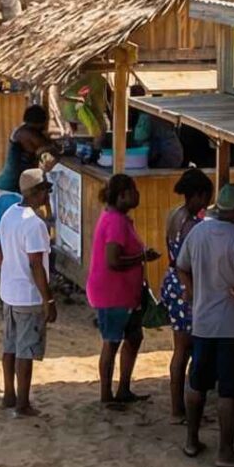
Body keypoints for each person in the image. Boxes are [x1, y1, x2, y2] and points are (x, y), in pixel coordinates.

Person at [176, 183, 234, 467]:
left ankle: (191, 440)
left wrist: (192, 291)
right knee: (228, 390)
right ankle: (225, 452)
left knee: (197, 382)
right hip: (233, 327)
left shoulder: (198, 231)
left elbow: (181, 266)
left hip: (202, 322)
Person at [90, 173, 159, 405]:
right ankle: (107, 394)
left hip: (123, 293)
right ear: (122, 196)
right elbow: (113, 260)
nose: (137, 195)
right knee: (112, 342)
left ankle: (123, 389)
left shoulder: (116, 218)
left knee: (133, 337)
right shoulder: (116, 222)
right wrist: (141, 258)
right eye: (133, 191)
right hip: (113, 293)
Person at [0, 170, 55, 417]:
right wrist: (48, 299)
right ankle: (23, 403)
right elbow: (36, 264)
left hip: (9, 290)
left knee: (10, 346)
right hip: (28, 295)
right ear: (37, 192)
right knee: (26, 351)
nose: (47, 196)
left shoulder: (10, 214)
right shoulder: (34, 223)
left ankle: (9, 394)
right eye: (45, 191)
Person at [158, 169, 213, 420]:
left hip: (172, 283)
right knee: (185, 351)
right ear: (199, 195)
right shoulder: (195, 226)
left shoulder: (175, 215)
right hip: (187, 288)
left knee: (181, 349)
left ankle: (178, 407)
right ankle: (180, 409)